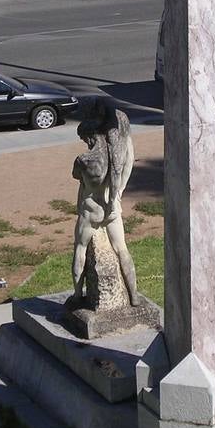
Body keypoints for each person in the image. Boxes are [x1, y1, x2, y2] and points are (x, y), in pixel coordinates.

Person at [71, 105, 139, 306]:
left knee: (80, 249)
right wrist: (117, 194)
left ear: (90, 137)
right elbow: (128, 163)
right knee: (121, 249)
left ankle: (77, 295)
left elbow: (76, 176)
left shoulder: (85, 160)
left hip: (91, 212)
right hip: (112, 209)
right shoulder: (114, 157)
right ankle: (133, 295)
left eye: (84, 139)